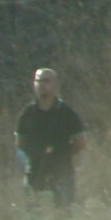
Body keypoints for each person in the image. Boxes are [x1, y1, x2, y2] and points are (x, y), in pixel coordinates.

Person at [13, 68, 85, 206]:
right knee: (34, 217)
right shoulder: (27, 114)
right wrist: (35, 154)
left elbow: (80, 143)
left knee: (62, 216)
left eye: (46, 81)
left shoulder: (66, 113)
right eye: (38, 81)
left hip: (61, 174)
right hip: (34, 174)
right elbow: (20, 143)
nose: (41, 85)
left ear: (56, 85)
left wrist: (62, 154)